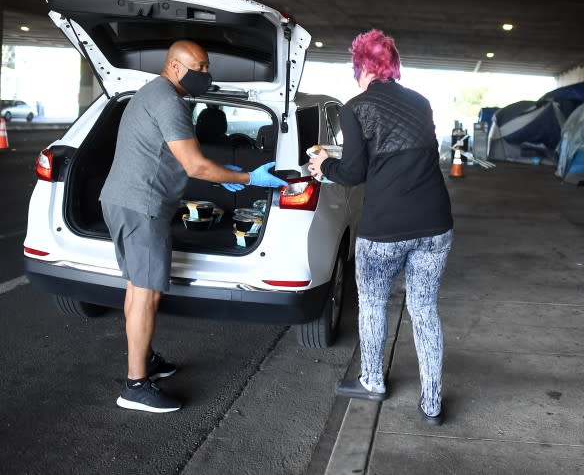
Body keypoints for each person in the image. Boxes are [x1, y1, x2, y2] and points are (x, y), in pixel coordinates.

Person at [99, 39, 286, 413]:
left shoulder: (152, 93)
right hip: (143, 206)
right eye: (198, 68)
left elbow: (175, 153)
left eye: (206, 66)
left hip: (123, 200)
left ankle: (146, 359)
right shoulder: (168, 101)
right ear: (173, 66)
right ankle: (136, 385)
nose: (206, 74)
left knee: (137, 288)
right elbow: (196, 166)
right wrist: (250, 177)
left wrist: (228, 173)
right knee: (147, 293)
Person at [308, 29, 453, 425]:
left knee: (373, 303)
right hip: (435, 223)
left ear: (362, 68)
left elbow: (353, 172)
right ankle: (433, 403)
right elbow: (419, 155)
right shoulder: (421, 103)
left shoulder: (356, 108)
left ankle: (372, 380)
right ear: (393, 66)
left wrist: (325, 166)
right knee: (424, 309)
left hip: (386, 227)